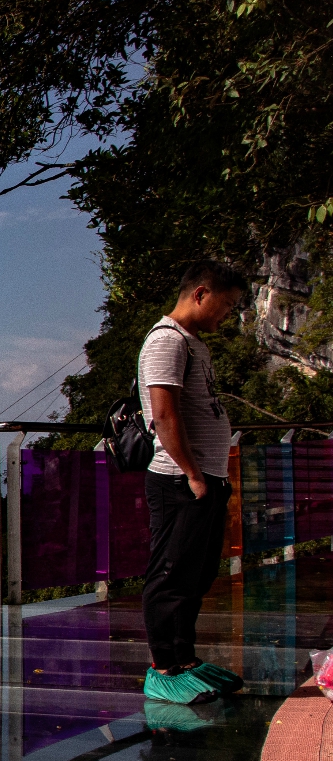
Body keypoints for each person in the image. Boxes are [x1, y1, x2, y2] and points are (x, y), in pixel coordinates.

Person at [139, 260, 249, 703]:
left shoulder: (192, 342)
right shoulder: (166, 341)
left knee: (196, 574)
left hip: (205, 478)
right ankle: (163, 668)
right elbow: (164, 415)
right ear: (201, 293)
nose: (229, 314)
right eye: (227, 304)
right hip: (179, 480)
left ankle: (185, 660)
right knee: (170, 574)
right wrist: (192, 474)